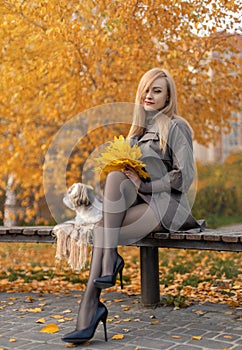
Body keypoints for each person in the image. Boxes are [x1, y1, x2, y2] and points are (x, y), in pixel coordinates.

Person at [61, 67, 204, 345]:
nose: (149, 95)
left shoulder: (176, 126)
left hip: (168, 206)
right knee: (113, 185)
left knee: (104, 229)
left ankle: (93, 302)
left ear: (168, 97)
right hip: (141, 207)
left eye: (157, 90)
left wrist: (146, 186)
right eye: (146, 89)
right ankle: (97, 294)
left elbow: (184, 176)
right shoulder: (135, 134)